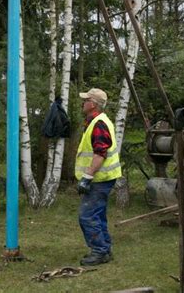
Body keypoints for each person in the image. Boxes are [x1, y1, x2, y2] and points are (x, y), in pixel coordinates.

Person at [76, 88, 122, 266]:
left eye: (86, 100)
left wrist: (87, 177)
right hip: (102, 178)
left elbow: (100, 153)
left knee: (87, 215)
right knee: (98, 214)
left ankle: (99, 251)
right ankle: (105, 249)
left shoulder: (99, 123)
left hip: (99, 179)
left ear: (93, 104)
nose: (83, 102)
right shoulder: (95, 121)